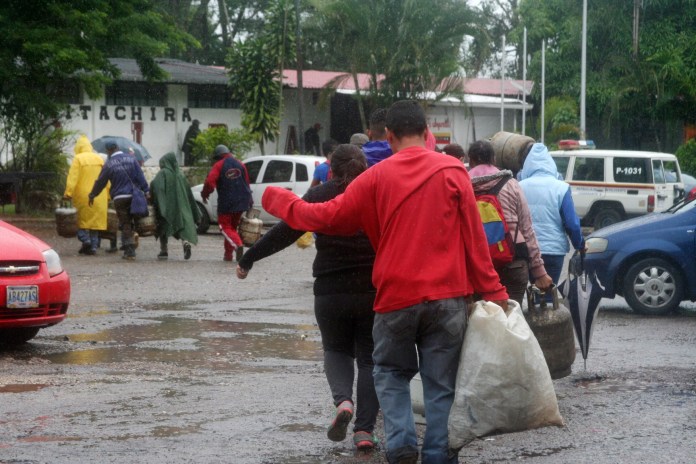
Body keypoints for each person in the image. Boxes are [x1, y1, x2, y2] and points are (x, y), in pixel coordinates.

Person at [262, 100, 509, 464]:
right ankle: (438, 454)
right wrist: (495, 291)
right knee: (441, 384)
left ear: (388, 136)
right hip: (448, 297)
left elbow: (327, 217)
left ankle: (402, 447)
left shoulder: (374, 178)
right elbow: (475, 239)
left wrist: (278, 199)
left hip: (395, 296)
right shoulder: (454, 171)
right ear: (427, 133)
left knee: (391, 374)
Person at [237, 145, 380, 451]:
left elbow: (285, 233)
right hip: (372, 289)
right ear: (366, 168)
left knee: (337, 350)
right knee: (369, 359)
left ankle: (343, 402)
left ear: (330, 171)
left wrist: (249, 258)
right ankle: (364, 432)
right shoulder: (376, 194)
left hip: (330, 291)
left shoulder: (319, 196)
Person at [468, 140, 552, 304]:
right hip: (513, 261)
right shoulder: (511, 184)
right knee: (512, 319)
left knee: (481, 322)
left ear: (470, 161)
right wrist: (539, 271)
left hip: (477, 266)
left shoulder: (463, 185)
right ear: (493, 159)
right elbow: (527, 230)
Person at [518, 143, 585, 287]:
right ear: (550, 164)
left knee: (534, 290)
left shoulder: (519, 186)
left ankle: (534, 308)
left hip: (528, 250)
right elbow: (572, 223)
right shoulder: (561, 187)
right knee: (549, 291)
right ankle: (546, 307)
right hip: (554, 250)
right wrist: (579, 244)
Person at [89, 141, 149, 260]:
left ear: (108, 151)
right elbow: (140, 176)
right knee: (135, 220)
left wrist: (92, 195)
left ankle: (129, 250)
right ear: (118, 147)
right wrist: (146, 190)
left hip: (119, 198)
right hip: (134, 196)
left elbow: (101, 182)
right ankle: (132, 238)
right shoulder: (132, 159)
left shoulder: (109, 164)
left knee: (125, 222)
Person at [201, 144, 252, 262]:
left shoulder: (218, 165)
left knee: (224, 227)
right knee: (232, 228)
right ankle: (228, 255)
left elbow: (209, 182)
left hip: (227, 202)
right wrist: (249, 201)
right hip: (242, 201)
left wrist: (205, 195)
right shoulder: (241, 164)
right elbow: (247, 183)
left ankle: (238, 245)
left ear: (218, 156)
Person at [149, 152, 201, 261]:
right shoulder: (180, 175)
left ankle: (164, 251)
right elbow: (188, 193)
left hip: (166, 207)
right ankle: (185, 242)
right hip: (181, 208)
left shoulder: (162, 173)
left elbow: (155, 186)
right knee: (181, 226)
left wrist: (153, 198)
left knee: (163, 227)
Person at [63, 135, 109, 255]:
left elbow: (73, 178)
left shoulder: (78, 159)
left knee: (80, 221)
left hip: (83, 195)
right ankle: (92, 247)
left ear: (79, 147)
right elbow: (106, 178)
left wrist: (68, 193)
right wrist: (108, 195)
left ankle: (85, 240)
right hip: (100, 195)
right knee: (94, 223)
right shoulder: (100, 159)